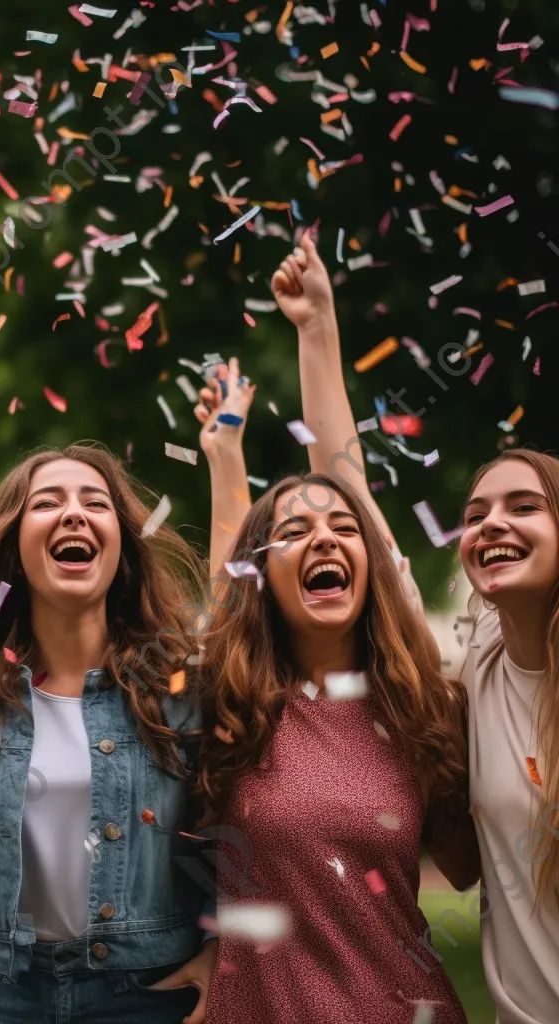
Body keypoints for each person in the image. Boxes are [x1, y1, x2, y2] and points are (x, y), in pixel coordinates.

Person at [194, 234, 478, 1023]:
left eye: (342, 529)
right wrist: (225, 461)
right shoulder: (234, 708)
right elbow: (226, 592)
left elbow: (465, 866)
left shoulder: (418, 702)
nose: (323, 537)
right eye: (294, 531)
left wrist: (319, 330)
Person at [0, 410, 252, 1024]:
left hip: (152, 994)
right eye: (47, 503)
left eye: (94, 502)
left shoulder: (183, 689)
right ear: (13, 546)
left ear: (121, 543)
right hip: (3, 998)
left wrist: (220, 947)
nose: (73, 513)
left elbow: (248, 828)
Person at [459, 449, 559, 1024]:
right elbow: (356, 502)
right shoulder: (482, 652)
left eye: (525, 507)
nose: (492, 523)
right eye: (475, 516)